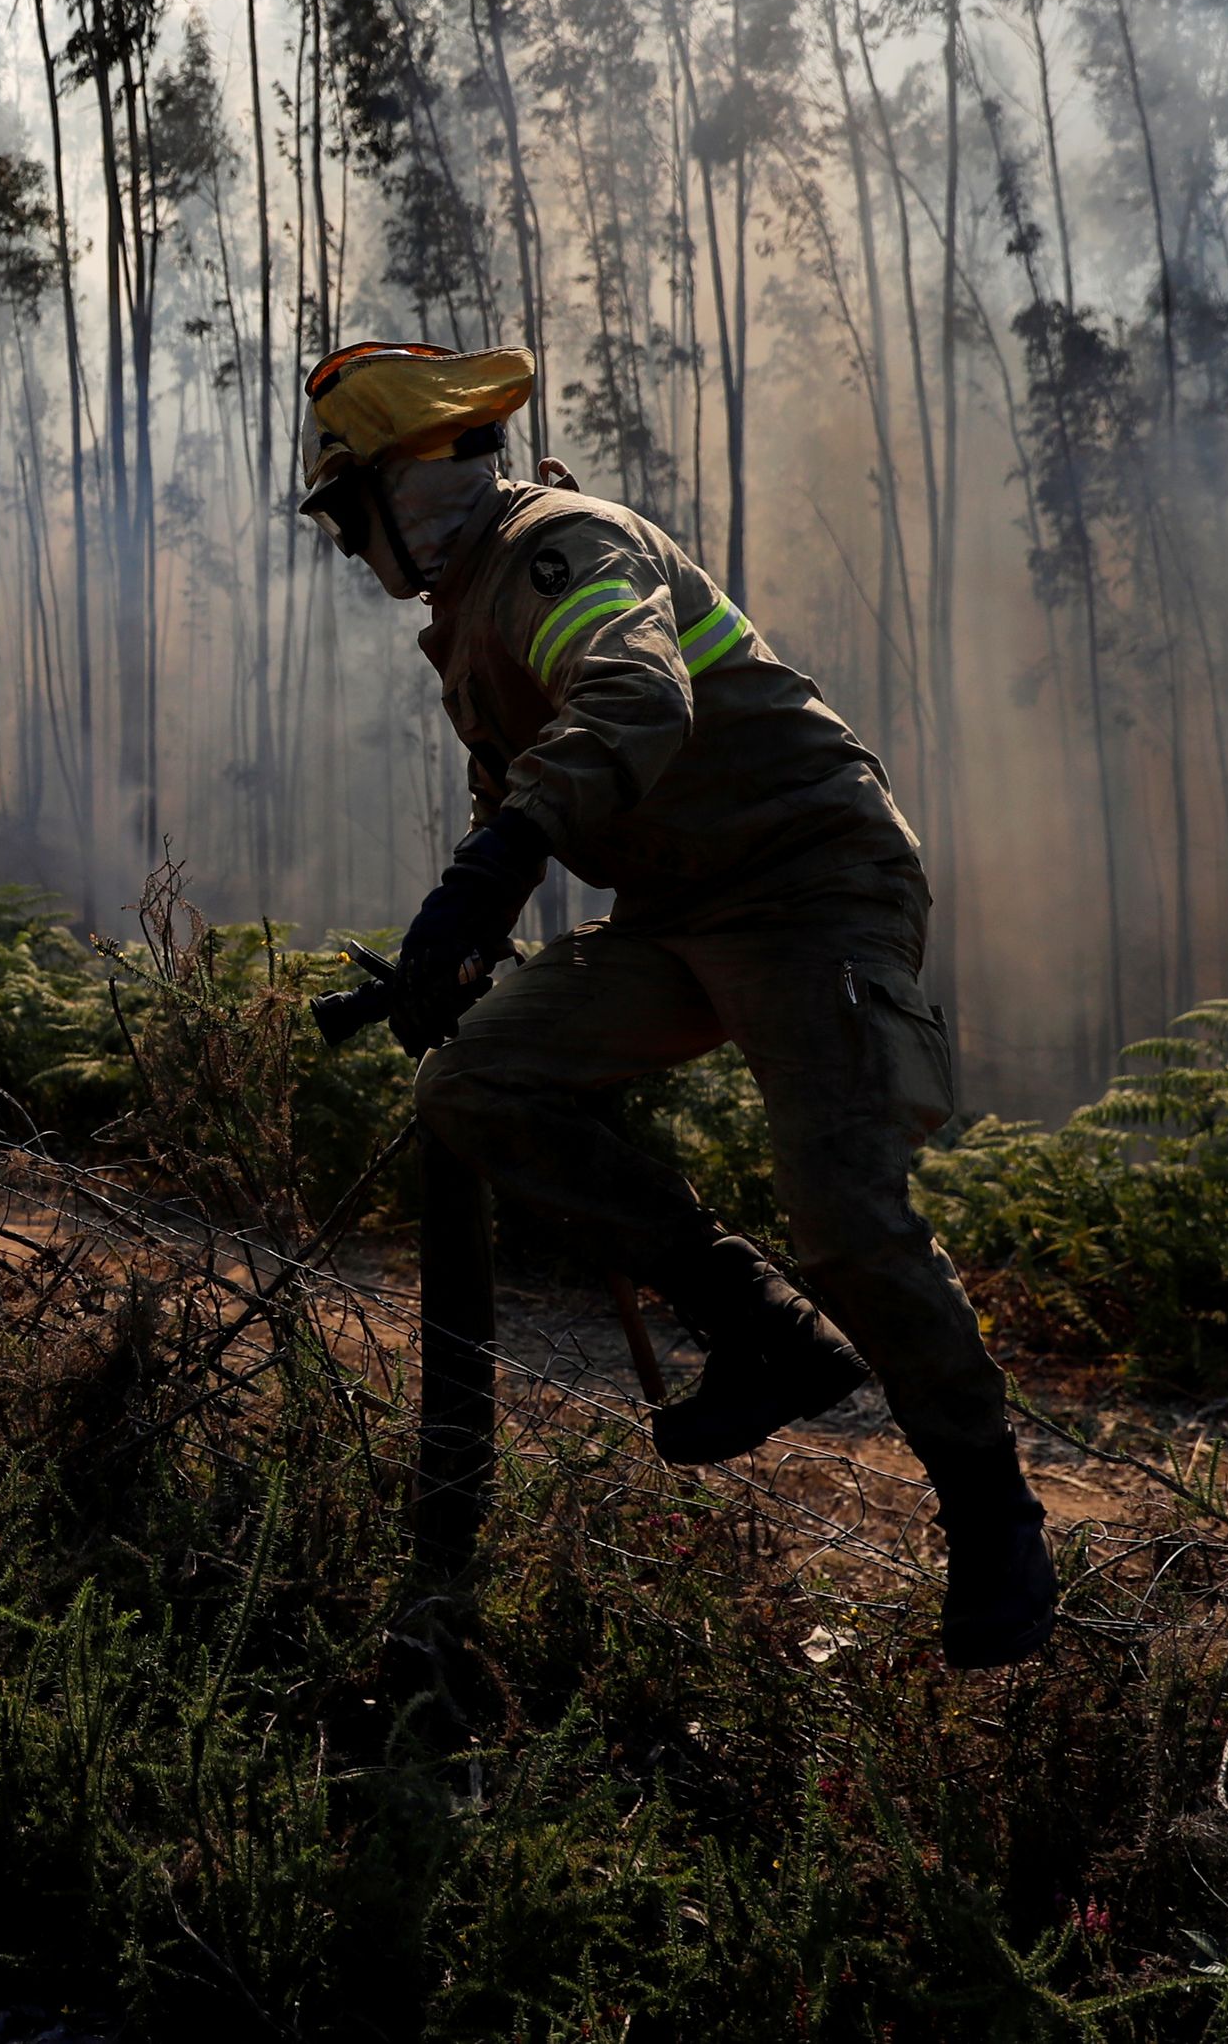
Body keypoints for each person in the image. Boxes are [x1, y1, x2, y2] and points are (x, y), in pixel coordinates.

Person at [295, 338, 1055, 1669]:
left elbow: (636, 697)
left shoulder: (560, 546)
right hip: (673, 918)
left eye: (353, 511)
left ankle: (992, 1512)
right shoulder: (473, 608)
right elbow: (535, 780)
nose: (356, 542)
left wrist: (490, 875)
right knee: (476, 1081)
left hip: (810, 888)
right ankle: (758, 1331)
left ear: (388, 494)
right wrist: (461, 946)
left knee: (844, 1209)